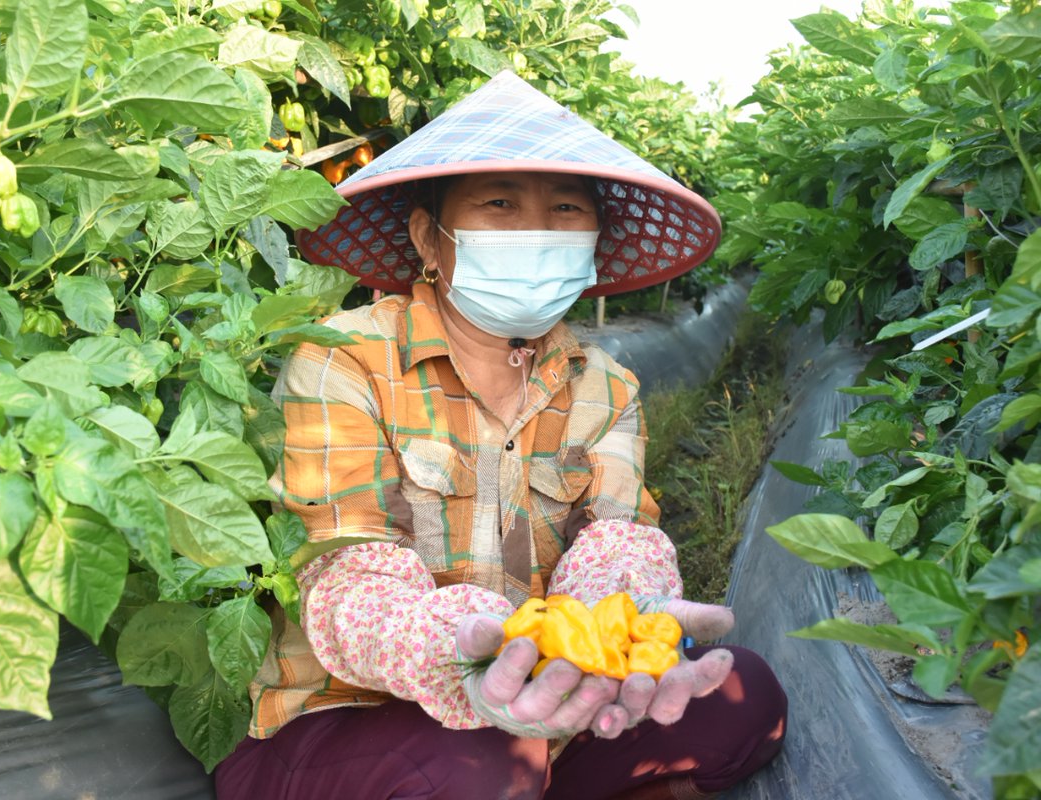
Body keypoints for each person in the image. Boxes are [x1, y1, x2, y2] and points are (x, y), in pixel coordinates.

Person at [215, 71, 787, 800]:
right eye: (500, 203)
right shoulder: (344, 358)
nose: (538, 230)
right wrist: (458, 650)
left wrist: (625, 617)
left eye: (567, 209)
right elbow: (346, 572)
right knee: (486, 762)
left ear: (593, 244)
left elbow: (615, 535)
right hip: (342, 723)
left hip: (537, 712)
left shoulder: (603, 384)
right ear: (430, 237)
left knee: (743, 698)